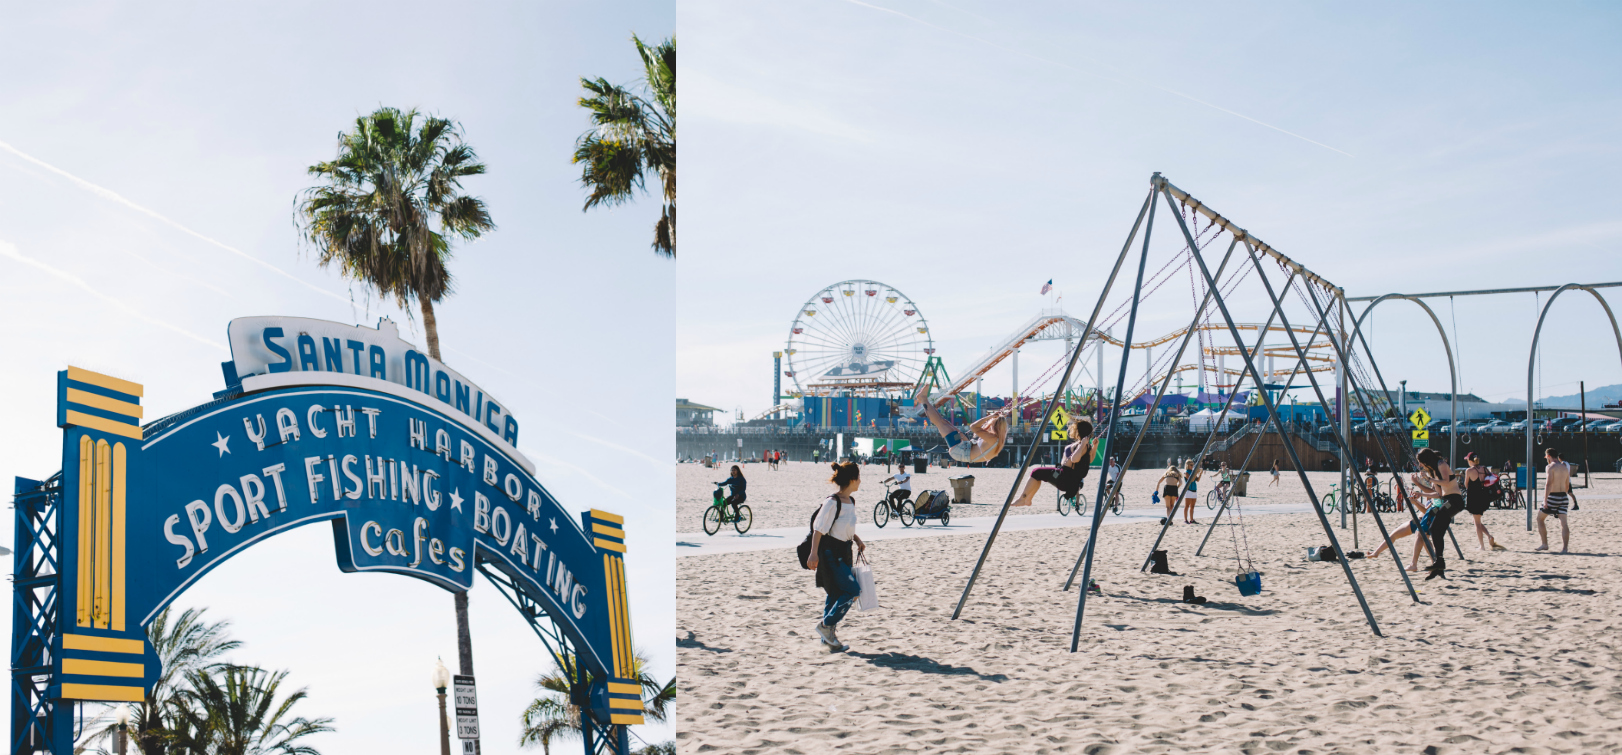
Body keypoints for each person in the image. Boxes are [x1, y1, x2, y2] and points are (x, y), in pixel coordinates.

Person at [807, 462, 866, 651]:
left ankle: (828, 639)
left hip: (845, 551)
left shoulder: (851, 501)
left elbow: (843, 527)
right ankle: (825, 626)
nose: (860, 481)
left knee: (834, 594)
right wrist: (813, 553)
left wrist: (856, 539)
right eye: (858, 477)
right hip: (832, 554)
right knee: (852, 591)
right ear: (851, 480)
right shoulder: (833, 502)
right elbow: (819, 529)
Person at [905, 383, 1010, 465]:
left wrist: (990, 416)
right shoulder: (997, 439)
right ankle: (926, 402)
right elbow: (978, 436)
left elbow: (973, 427)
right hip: (965, 448)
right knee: (944, 422)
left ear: (995, 425)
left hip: (960, 451)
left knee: (940, 423)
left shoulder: (992, 438)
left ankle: (923, 399)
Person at [1013, 419, 1096, 506]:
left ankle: (1023, 498)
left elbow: (1075, 459)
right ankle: (1027, 500)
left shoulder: (1083, 445)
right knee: (1038, 475)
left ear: (1079, 431)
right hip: (1062, 475)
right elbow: (1090, 459)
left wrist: (1083, 445)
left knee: (1036, 472)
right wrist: (1095, 446)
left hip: (1064, 477)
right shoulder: (1085, 445)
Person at [1369, 472, 1441, 571]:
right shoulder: (1431, 497)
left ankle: (1421, 564)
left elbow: (1426, 510)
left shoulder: (1436, 497)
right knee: (1395, 534)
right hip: (1419, 520)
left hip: (1425, 521)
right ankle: (1376, 552)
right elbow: (1424, 508)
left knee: (1424, 540)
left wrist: (1415, 500)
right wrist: (1412, 497)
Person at [1414, 447, 1465, 579]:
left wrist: (1430, 480)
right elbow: (1438, 494)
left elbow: (1446, 481)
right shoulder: (1434, 471)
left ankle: (1439, 562)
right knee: (1437, 531)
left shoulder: (1441, 464)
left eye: (1421, 462)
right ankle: (1439, 566)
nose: (1421, 465)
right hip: (1447, 500)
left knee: (1434, 528)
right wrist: (1421, 493)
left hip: (1455, 500)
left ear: (1426, 459)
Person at [1463, 452, 1506, 551]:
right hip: (1484, 497)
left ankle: (1482, 546)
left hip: (1474, 498)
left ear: (1470, 461)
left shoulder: (1469, 470)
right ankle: (1489, 536)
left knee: (1477, 523)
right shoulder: (1484, 468)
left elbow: (1466, 485)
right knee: (1476, 521)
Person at [1537, 448, 1572, 553]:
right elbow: (1567, 486)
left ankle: (1544, 544)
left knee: (1540, 519)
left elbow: (1548, 484)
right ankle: (1565, 548)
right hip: (1563, 497)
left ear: (1548, 456)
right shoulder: (1564, 467)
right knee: (1564, 523)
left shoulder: (1550, 467)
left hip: (1553, 496)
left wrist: (1545, 500)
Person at [1181, 459, 1202, 524]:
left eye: (1193, 465)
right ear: (1187, 465)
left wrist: (1200, 473)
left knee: (1192, 506)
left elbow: (1197, 480)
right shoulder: (1186, 472)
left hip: (1194, 490)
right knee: (1187, 506)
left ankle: (1191, 519)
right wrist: (1196, 472)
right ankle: (1185, 519)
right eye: (1191, 465)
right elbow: (1191, 480)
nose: (1192, 466)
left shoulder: (1193, 471)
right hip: (1189, 490)